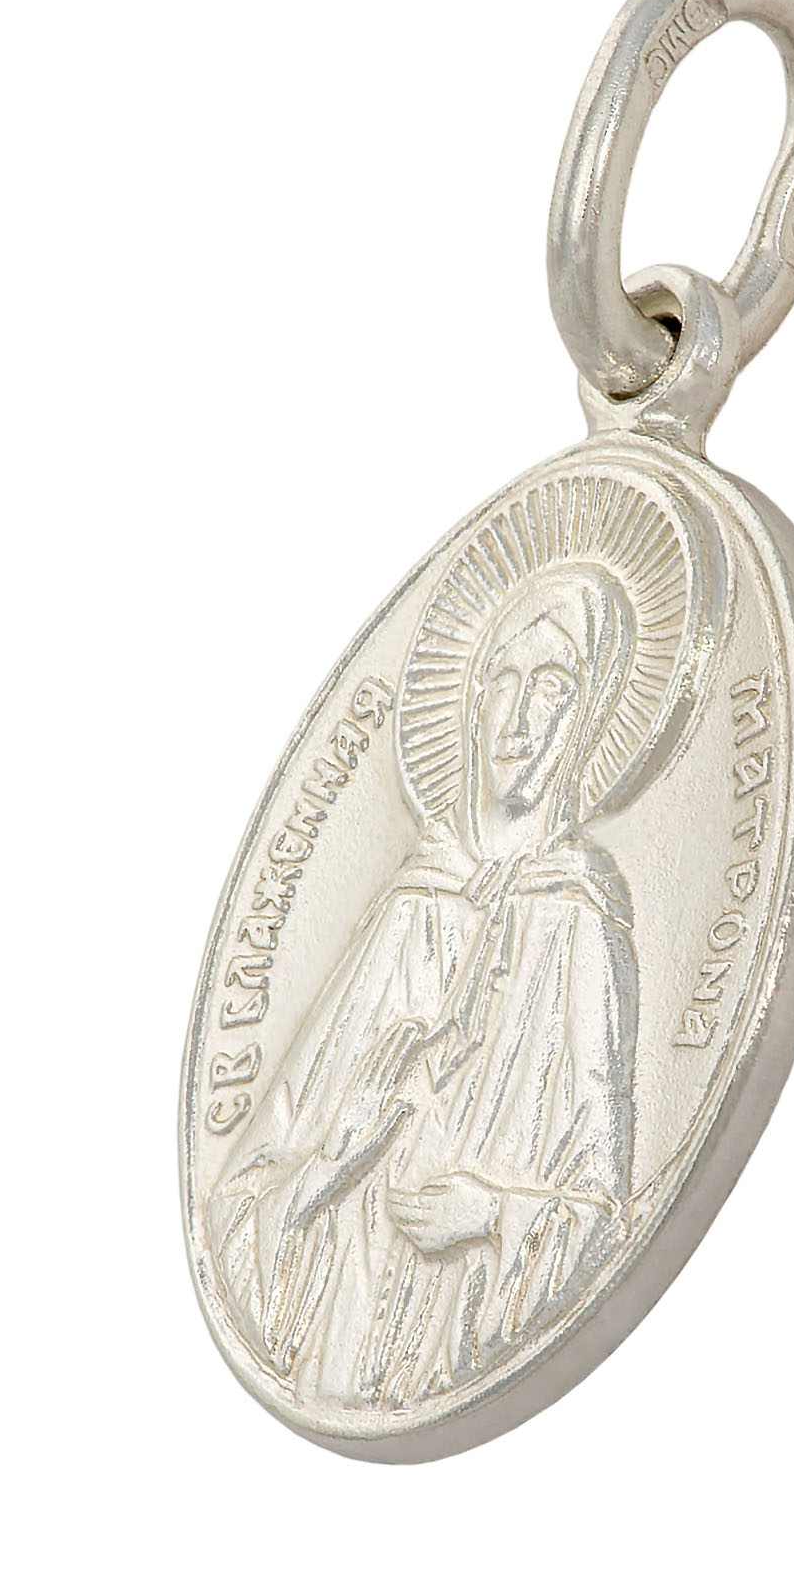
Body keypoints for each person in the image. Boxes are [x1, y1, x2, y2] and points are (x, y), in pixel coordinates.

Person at [207, 566, 642, 1413]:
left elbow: (599, 1211)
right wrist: (329, 1162)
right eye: (503, 682)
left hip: (454, 1339)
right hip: (337, 1325)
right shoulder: (412, 901)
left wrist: (489, 1214)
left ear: (587, 716)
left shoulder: (577, 923)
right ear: (472, 703)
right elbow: (240, 1209)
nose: (519, 720)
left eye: (552, 687)